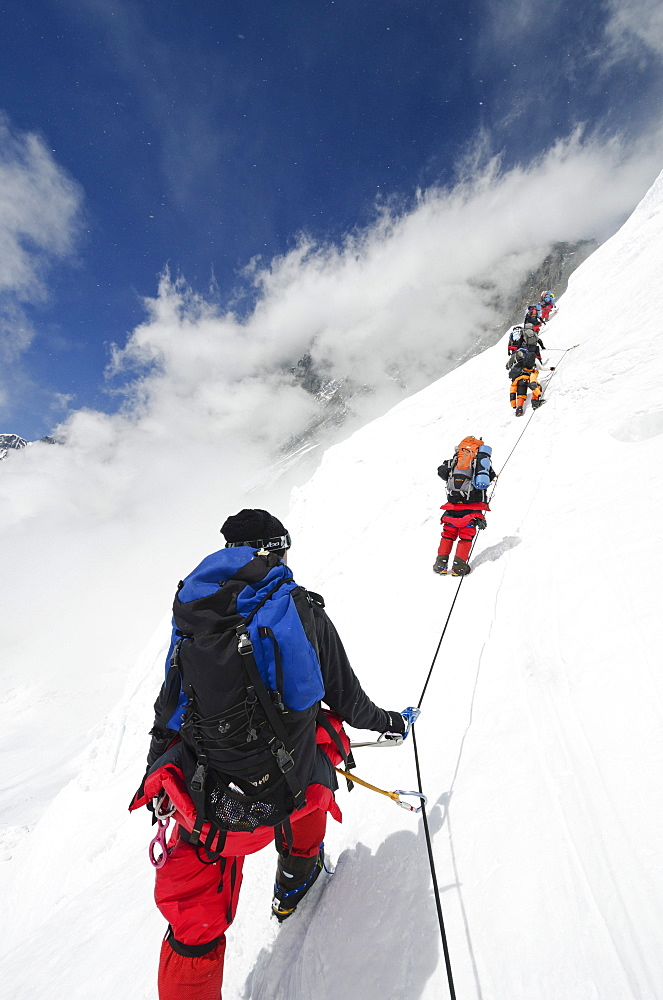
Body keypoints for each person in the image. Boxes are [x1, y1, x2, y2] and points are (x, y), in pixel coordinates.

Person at [133, 509, 407, 1000]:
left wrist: (157, 769)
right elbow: (346, 699)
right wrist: (389, 722)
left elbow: (172, 703)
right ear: (275, 548)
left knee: (193, 921)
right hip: (288, 784)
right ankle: (294, 881)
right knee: (320, 752)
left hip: (211, 795)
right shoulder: (297, 607)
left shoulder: (193, 610)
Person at [433, 438, 496, 577]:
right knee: (466, 537)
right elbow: (488, 478)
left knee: (448, 534)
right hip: (472, 509)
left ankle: (440, 564)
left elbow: (441, 472)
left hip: (452, 506)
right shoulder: (480, 463)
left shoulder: (454, 461)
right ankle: (459, 567)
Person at [506, 348, 545, 416]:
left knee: (521, 395)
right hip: (527, 379)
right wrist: (538, 393)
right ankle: (535, 403)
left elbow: (507, 367)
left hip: (518, 380)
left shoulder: (517, 362)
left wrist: (513, 404)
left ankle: (519, 410)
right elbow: (533, 385)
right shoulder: (530, 365)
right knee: (537, 387)